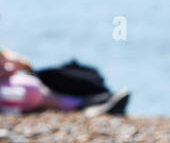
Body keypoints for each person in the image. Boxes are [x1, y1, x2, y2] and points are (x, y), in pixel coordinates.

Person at [0, 48, 129, 116]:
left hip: (25, 80)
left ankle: (97, 101)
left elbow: (23, 62)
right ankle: (87, 105)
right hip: (17, 89)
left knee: (63, 77)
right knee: (36, 91)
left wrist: (13, 63)